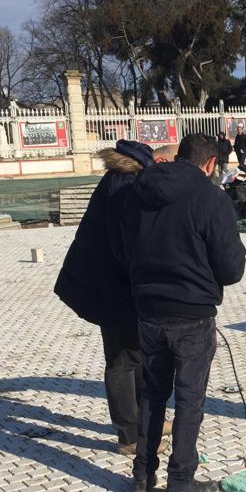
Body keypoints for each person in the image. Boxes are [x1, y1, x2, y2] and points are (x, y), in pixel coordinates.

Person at [124, 133, 246, 492]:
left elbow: (124, 246)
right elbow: (231, 269)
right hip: (191, 315)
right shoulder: (212, 198)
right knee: (189, 399)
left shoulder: (138, 192)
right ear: (211, 164)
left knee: (152, 394)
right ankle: (180, 481)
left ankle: (143, 477)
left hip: (148, 309)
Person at [55, 140, 157, 456]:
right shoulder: (126, 185)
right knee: (122, 359)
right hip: (111, 285)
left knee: (136, 353)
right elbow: (122, 243)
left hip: (110, 282)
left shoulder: (118, 178)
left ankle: (145, 421)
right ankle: (129, 434)